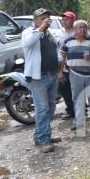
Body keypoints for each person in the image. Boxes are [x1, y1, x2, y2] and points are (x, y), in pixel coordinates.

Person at [21, 8, 60, 153]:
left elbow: (55, 49)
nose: (46, 21)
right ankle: (43, 140)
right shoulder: (28, 32)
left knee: (50, 107)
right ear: (35, 20)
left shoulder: (49, 33)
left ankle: (42, 135)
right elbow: (28, 43)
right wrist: (42, 28)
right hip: (38, 77)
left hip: (52, 75)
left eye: (47, 18)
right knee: (42, 109)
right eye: (42, 18)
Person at [59, 20, 90, 132]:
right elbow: (63, 57)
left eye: (84, 27)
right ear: (74, 29)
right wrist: (60, 72)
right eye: (79, 27)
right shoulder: (68, 41)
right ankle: (78, 121)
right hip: (75, 74)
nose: (82, 29)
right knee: (78, 98)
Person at [57, 11, 77, 119]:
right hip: (63, 67)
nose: (64, 21)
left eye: (67, 19)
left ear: (73, 20)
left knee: (77, 91)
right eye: (63, 19)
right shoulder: (61, 35)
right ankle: (70, 110)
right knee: (65, 89)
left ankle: (81, 111)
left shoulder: (80, 34)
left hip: (76, 68)